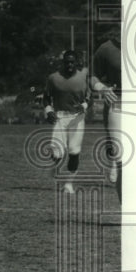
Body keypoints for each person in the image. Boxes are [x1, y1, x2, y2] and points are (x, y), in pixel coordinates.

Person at [43, 50, 91, 194]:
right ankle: (55, 164)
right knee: (57, 153)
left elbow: (90, 97)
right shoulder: (53, 78)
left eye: (72, 62)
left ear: (76, 62)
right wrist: (48, 110)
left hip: (77, 117)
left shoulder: (83, 77)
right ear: (63, 62)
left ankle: (68, 185)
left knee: (74, 152)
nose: (69, 64)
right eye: (67, 62)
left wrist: (84, 106)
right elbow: (46, 97)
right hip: (60, 116)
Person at [91, 26, 122, 199]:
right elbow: (92, 76)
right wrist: (102, 88)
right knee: (121, 157)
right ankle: (126, 209)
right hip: (118, 103)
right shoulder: (107, 49)